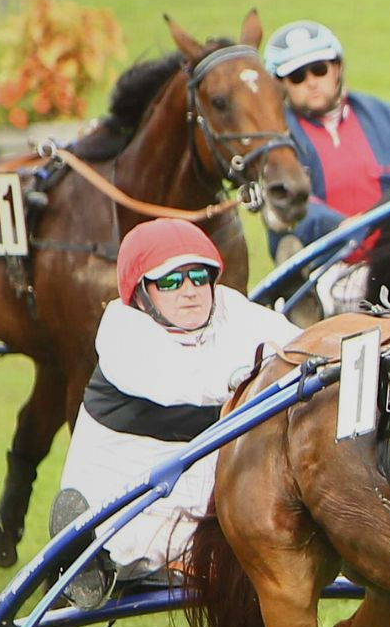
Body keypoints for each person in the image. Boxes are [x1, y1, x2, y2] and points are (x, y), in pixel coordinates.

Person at [47, 218, 297, 605]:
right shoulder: (122, 332)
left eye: (199, 277)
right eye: (170, 281)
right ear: (141, 292)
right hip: (132, 509)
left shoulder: (230, 309)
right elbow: (192, 382)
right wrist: (262, 378)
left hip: (208, 500)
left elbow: (296, 347)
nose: (190, 291)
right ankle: (92, 557)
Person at [263, 19, 390, 308]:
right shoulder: (277, 142)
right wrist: (344, 227)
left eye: (319, 69)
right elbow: (291, 207)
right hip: (332, 268)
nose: (311, 81)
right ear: (280, 86)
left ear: (337, 68)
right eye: (296, 76)